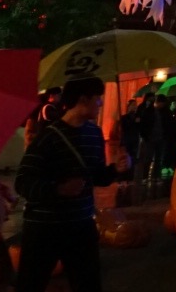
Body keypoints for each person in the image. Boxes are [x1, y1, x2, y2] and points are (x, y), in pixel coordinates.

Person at [15, 76, 126, 292]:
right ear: (83, 99)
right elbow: (23, 182)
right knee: (31, 284)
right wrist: (58, 189)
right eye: (97, 98)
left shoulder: (94, 134)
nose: (101, 103)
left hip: (81, 225)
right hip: (44, 228)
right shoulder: (47, 138)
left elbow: (97, 177)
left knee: (88, 284)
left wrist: (116, 169)